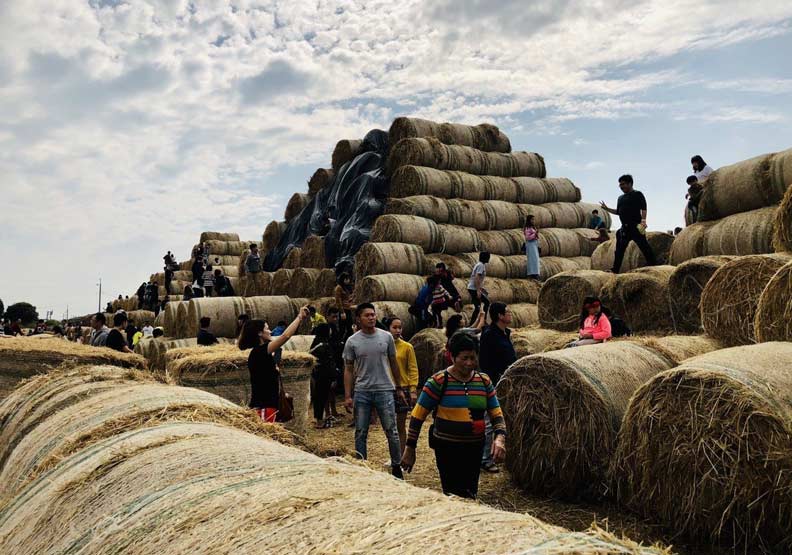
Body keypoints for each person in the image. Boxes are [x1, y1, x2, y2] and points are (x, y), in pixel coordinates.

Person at [401, 332, 506, 499]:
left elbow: (496, 413)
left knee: (470, 493)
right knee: (453, 494)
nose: (469, 363)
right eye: (464, 358)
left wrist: (499, 438)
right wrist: (410, 448)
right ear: (452, 356)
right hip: (447, 448)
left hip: (474, 447)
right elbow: (417, 416)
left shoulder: (484, 381)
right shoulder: (439, 381)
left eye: (473, 358)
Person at [343, 303, 403, 479]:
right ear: (358, 319)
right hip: (362, 391)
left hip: (385, 389)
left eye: (373, 315)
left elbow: (393, 362)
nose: (371, 318)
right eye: (367, 315)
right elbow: (348, 369)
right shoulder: (352, 341)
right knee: (361, 431)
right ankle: (362, 465)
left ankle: (396, 465)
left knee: (391, 430)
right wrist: (348, 395)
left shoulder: (386, 337)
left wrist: (398, 387)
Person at [238, 306, 309, 422]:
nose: (270, 331)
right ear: (260, 333)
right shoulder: (259, 351)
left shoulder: (261, 353)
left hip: (269, 405)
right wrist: (299, 317)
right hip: (263, 407)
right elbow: (285, 336)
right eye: (267, 328)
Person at [478, 302, 515, 473]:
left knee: (503, 419)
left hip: (506, 381)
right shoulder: (489, 335)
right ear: (500, 316)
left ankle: (499, 453)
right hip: (493, 383)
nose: (510, 314)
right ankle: (485, 459)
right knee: (489, 421)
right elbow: (484, 362)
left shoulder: (505, 333)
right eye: (507, 312)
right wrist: (491, 382)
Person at [599, 175, 657, 274]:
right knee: (619, 251)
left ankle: (655, 267)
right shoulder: (620, 198)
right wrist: (607, 209)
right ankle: (615, 270)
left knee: (645, 248)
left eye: (623, 184)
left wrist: (643, 220)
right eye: (620, 185)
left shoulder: (638, 194)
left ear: (630, 183)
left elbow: (644, 208)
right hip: (624, 228)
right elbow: (619, 212)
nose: (621, 187)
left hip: (635, 227)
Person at [386, 317, 419, 452]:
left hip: (403, 389)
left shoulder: (407, 347)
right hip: (386, 388)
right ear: (387, 328)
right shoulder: (383, 346)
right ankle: (393, 455)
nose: (398, 330)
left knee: (400, 425)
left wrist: (413, 389)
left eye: (400, 327)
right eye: (394, 327)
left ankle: (401, 455)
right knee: (389, 426)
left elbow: (413, 369)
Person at [310, 323, 337, 429]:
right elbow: (329, 363)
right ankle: (320, 421)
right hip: (325, 375)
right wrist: (334, 377)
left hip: (317, 374)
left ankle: (321, 418)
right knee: (321, 397)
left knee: (319, 397)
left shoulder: (315, 342)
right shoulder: (324, 345)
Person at [467, 251, 491, 324]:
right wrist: (478, 290)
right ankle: (480, 321)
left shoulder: (480, 265)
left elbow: (478, 279)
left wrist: (481, 289)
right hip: (473, 289)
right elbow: (477, 277)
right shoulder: (480, 265)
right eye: (488, 257)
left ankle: (478, 322)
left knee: (479, 306)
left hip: (473, 288)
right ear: (485, 257)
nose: (489, 258)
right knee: (484, 304)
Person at [334, 273, 355, 339]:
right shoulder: (338, 288)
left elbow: (346, 298)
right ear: (343, 279)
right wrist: (342, 312)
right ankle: (341, 341)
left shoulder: (345, 287)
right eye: (346, 279)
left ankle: (347, 339)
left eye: (348, 279)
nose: (348, 280)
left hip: (348, 309)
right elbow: (338, 300)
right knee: (343, 328)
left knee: (350, 327)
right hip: (343, 310)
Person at [523, 215, 540, 280]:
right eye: (532, 219)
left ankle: (535, 273)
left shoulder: (532, 227)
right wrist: (535, 234)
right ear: (529, 220)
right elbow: (527, 237)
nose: (533, 221)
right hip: (530, 245)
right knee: (532, 259)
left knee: (535, 259)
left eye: (533, 219)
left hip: (534, 245)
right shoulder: (527, 228)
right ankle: (532, 274)